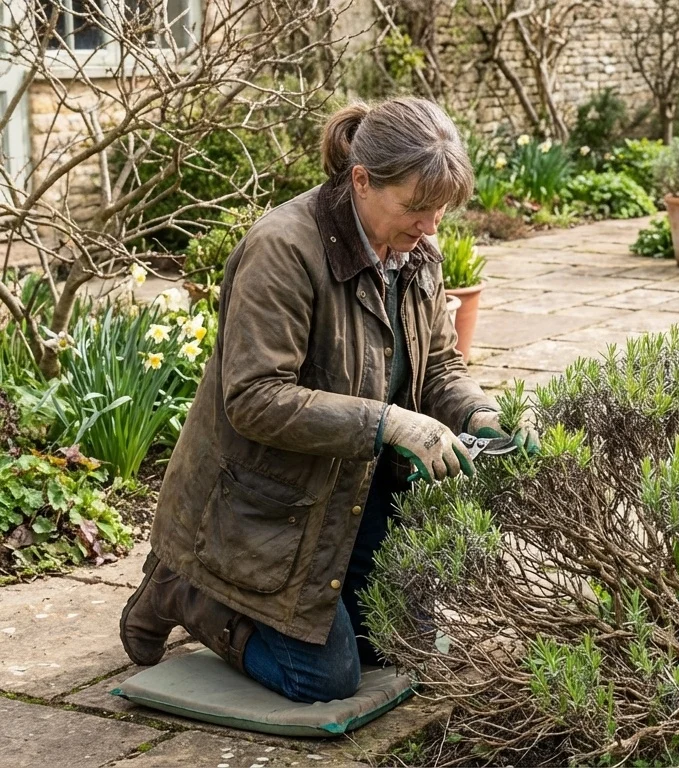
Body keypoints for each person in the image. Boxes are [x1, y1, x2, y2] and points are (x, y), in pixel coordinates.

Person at [118, 97, 536, 703]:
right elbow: (255, 398)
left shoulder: (418, 254)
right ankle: (185, 588)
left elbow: (442, 365)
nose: (431, 228)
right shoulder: (283, 250)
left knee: (403, 645)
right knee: (325, 678)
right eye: (417, 207)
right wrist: (389, 423)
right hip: (265, 502)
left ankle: (299, 600)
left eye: (441, 210)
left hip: (355, 490)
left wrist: (481, 414)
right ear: (362, 181)